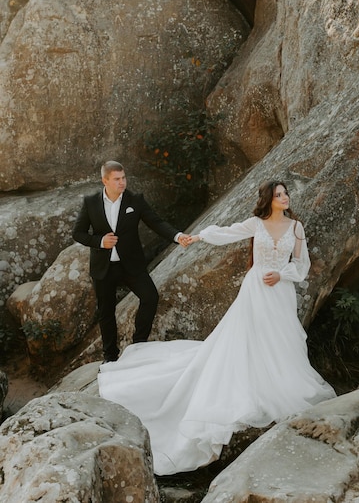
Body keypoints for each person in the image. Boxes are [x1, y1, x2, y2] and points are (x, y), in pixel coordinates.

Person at [98, 180, 336, 475]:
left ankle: (276, 377)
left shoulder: (296, 227)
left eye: (285, 193)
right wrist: (198, 238)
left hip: (281, 290)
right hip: (255, 289)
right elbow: (227, 233)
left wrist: (283, 273)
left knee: (281, 338)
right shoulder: (256, 223)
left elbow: (302, 264)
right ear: (268, 200)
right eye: (278, 195)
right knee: (248, 335)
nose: (284, 198)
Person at [73, 160, 190, 362]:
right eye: (117, 179)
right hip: (104, 267)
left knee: (150, 297)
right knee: (106, 312)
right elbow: (78, 233)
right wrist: (100, 241)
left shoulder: (135, 200)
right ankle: (110, 357)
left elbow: (156, 222)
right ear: (105, 180)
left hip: (131, 264)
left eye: (123, 178)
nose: (122, 182)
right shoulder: (91, 202)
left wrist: (177, 236)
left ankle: (138, 345)